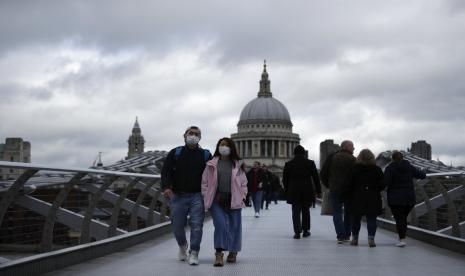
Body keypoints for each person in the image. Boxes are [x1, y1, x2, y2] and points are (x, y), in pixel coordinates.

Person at [161, 126, 212, 265]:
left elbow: (212, 176)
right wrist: (166, 187)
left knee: (197, 225)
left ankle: (194, 252)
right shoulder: (175, 153)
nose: (193, 136)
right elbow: (165, 171)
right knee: (177, 225)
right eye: (191, 133)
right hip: (178, 195)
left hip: (197, 196)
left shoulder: (206, 155)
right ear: (184, 135)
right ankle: (183, 245)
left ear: (200, 138)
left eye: (197, 134)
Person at [201, 137, 248, 267]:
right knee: (220, 225)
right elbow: (205, 182)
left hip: (234, 199)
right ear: (218, 147)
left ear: (231, 147)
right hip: (217, 199)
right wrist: (207, 194)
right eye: (221, 145)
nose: (224, 147)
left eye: (226, 145)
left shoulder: (238, 164)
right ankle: (219, 253)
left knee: (235, 226)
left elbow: (244, 183)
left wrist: (242, 195)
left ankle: (233, 251)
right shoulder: (211, 164)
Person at [384, 151, 426, 247]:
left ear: (392, 158)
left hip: (395, 198)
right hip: (409, 198)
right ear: (402, 158)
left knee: (400, 218)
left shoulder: (390, 168)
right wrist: (423, 171)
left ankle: (402, 239)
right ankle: (401, 238)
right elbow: (422, 176)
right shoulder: (409, 167)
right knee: (402, 218)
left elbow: (385, 182)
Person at [320, 140, 356, 243]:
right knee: (349, 212)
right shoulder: (353, 159)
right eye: (352, 146)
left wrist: (329, 185)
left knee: (337, 213)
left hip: (335, 189)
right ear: (346, 147)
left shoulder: (332, 157)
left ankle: (340, 236)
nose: (354, 148)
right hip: (349, 190)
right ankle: (347, 235)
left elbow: (323, 173)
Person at [283, 145, 321, 239]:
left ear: (294, 153)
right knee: (306, 211)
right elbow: (316, 178)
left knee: (295, 212)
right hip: (307, 190)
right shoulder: (310, 163)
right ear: (304, 153)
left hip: (294, 190)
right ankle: (305, 230)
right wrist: (318, 190)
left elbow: (285, 180)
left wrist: (287, 190)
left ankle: (297, 232)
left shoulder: (289, 164)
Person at [348, 149, 384, 247]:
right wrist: (375, 189)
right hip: (373, 197)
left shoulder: (354, 169)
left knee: (356, 218)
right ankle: (371, 239)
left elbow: (349, 184)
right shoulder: (377, 169)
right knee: (372, 218)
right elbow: (382, 184)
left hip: (357, 197)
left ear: (359, 157)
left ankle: (355, 239)